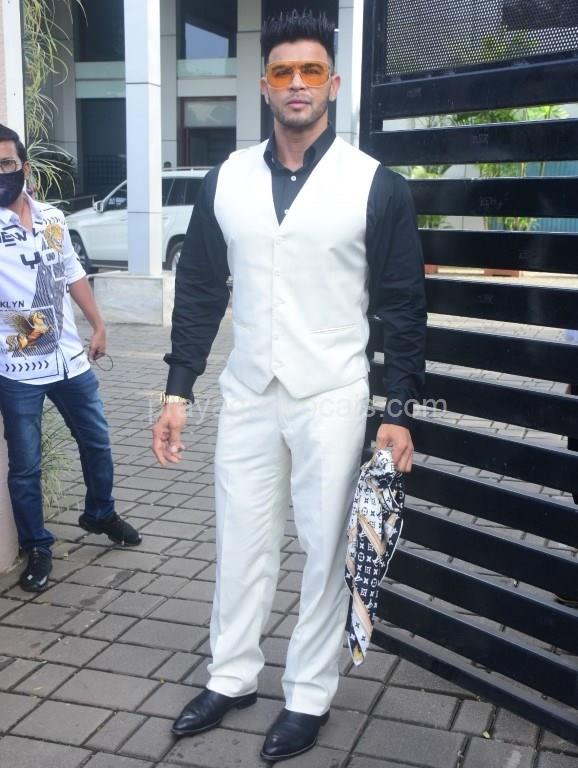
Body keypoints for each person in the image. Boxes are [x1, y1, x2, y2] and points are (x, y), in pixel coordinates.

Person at [153, 10, 426, 763]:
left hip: (332, 394)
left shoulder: (375, 186)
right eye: (283, 72)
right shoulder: (226, 180)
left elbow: (402, 305)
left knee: (325, 546)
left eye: (311, 71)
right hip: (248, 390)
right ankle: (232, 676)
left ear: (332, 85)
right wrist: (177, 391)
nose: (297, 84)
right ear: (264, 85)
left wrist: (399, 409)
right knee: (240, 537)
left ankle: (308, 693)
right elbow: (200, 289)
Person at [0, 124, 142, 593]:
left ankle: (100, 513)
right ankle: (38, 546)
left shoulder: (52, 218)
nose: (1, 173)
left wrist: (97, 323)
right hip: (17, 367)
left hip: (70, 360)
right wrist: (33, 330)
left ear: (24, 167)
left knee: (97, 441)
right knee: (26, 466)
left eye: (6, 164)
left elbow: (72, 273)